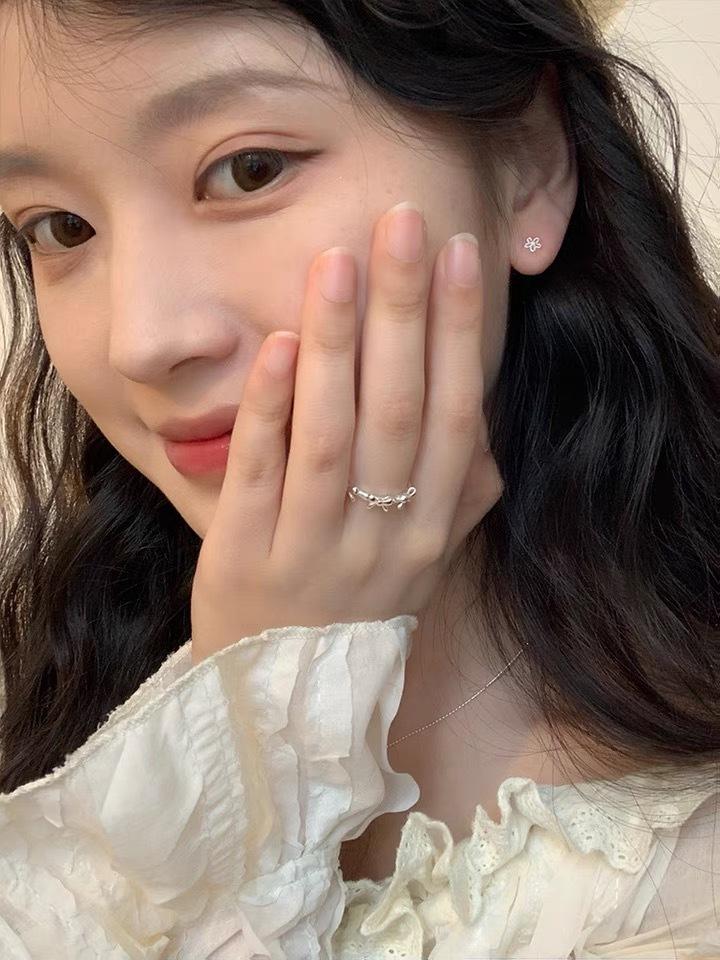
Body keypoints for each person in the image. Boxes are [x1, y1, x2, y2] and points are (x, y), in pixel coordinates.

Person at [0, 0, 717, 956]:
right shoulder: (70, 730)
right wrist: (256, 713)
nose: (141, 339)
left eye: (249, 170)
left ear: (529, 163)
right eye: (60, 228)